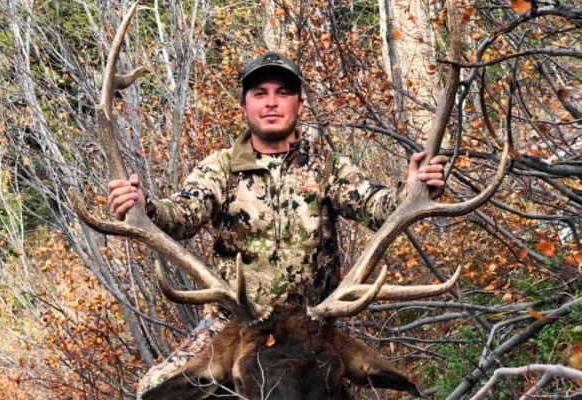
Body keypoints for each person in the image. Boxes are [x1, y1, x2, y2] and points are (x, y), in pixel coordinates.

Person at [107, 51, 447, 398]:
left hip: (312, 326)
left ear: (299, 106)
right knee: (151, 389)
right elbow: (178, 216)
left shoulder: (325, 167)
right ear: (244, 107)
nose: (272, 102)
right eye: (260, 93)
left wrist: (412, 190)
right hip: (237, 326)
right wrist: (142, 206)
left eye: (283, 93)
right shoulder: (220, 169)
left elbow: (376, 207)